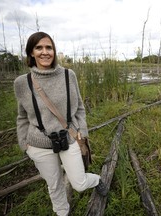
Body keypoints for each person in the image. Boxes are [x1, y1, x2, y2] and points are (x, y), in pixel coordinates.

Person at [14, 32, 107, 216]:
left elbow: (79, 107)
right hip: (38, 145)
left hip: (69, 138)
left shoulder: (68, 75)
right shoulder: (21, 83)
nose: (45, 52)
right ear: (31, 53)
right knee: (54, 185)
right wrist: (24, 143)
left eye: (49, 47)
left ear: (54, 51)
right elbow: (22, 117)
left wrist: (82, 132)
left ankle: (96, 180)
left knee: (79, 183)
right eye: (38, 48)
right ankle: (62, 212)